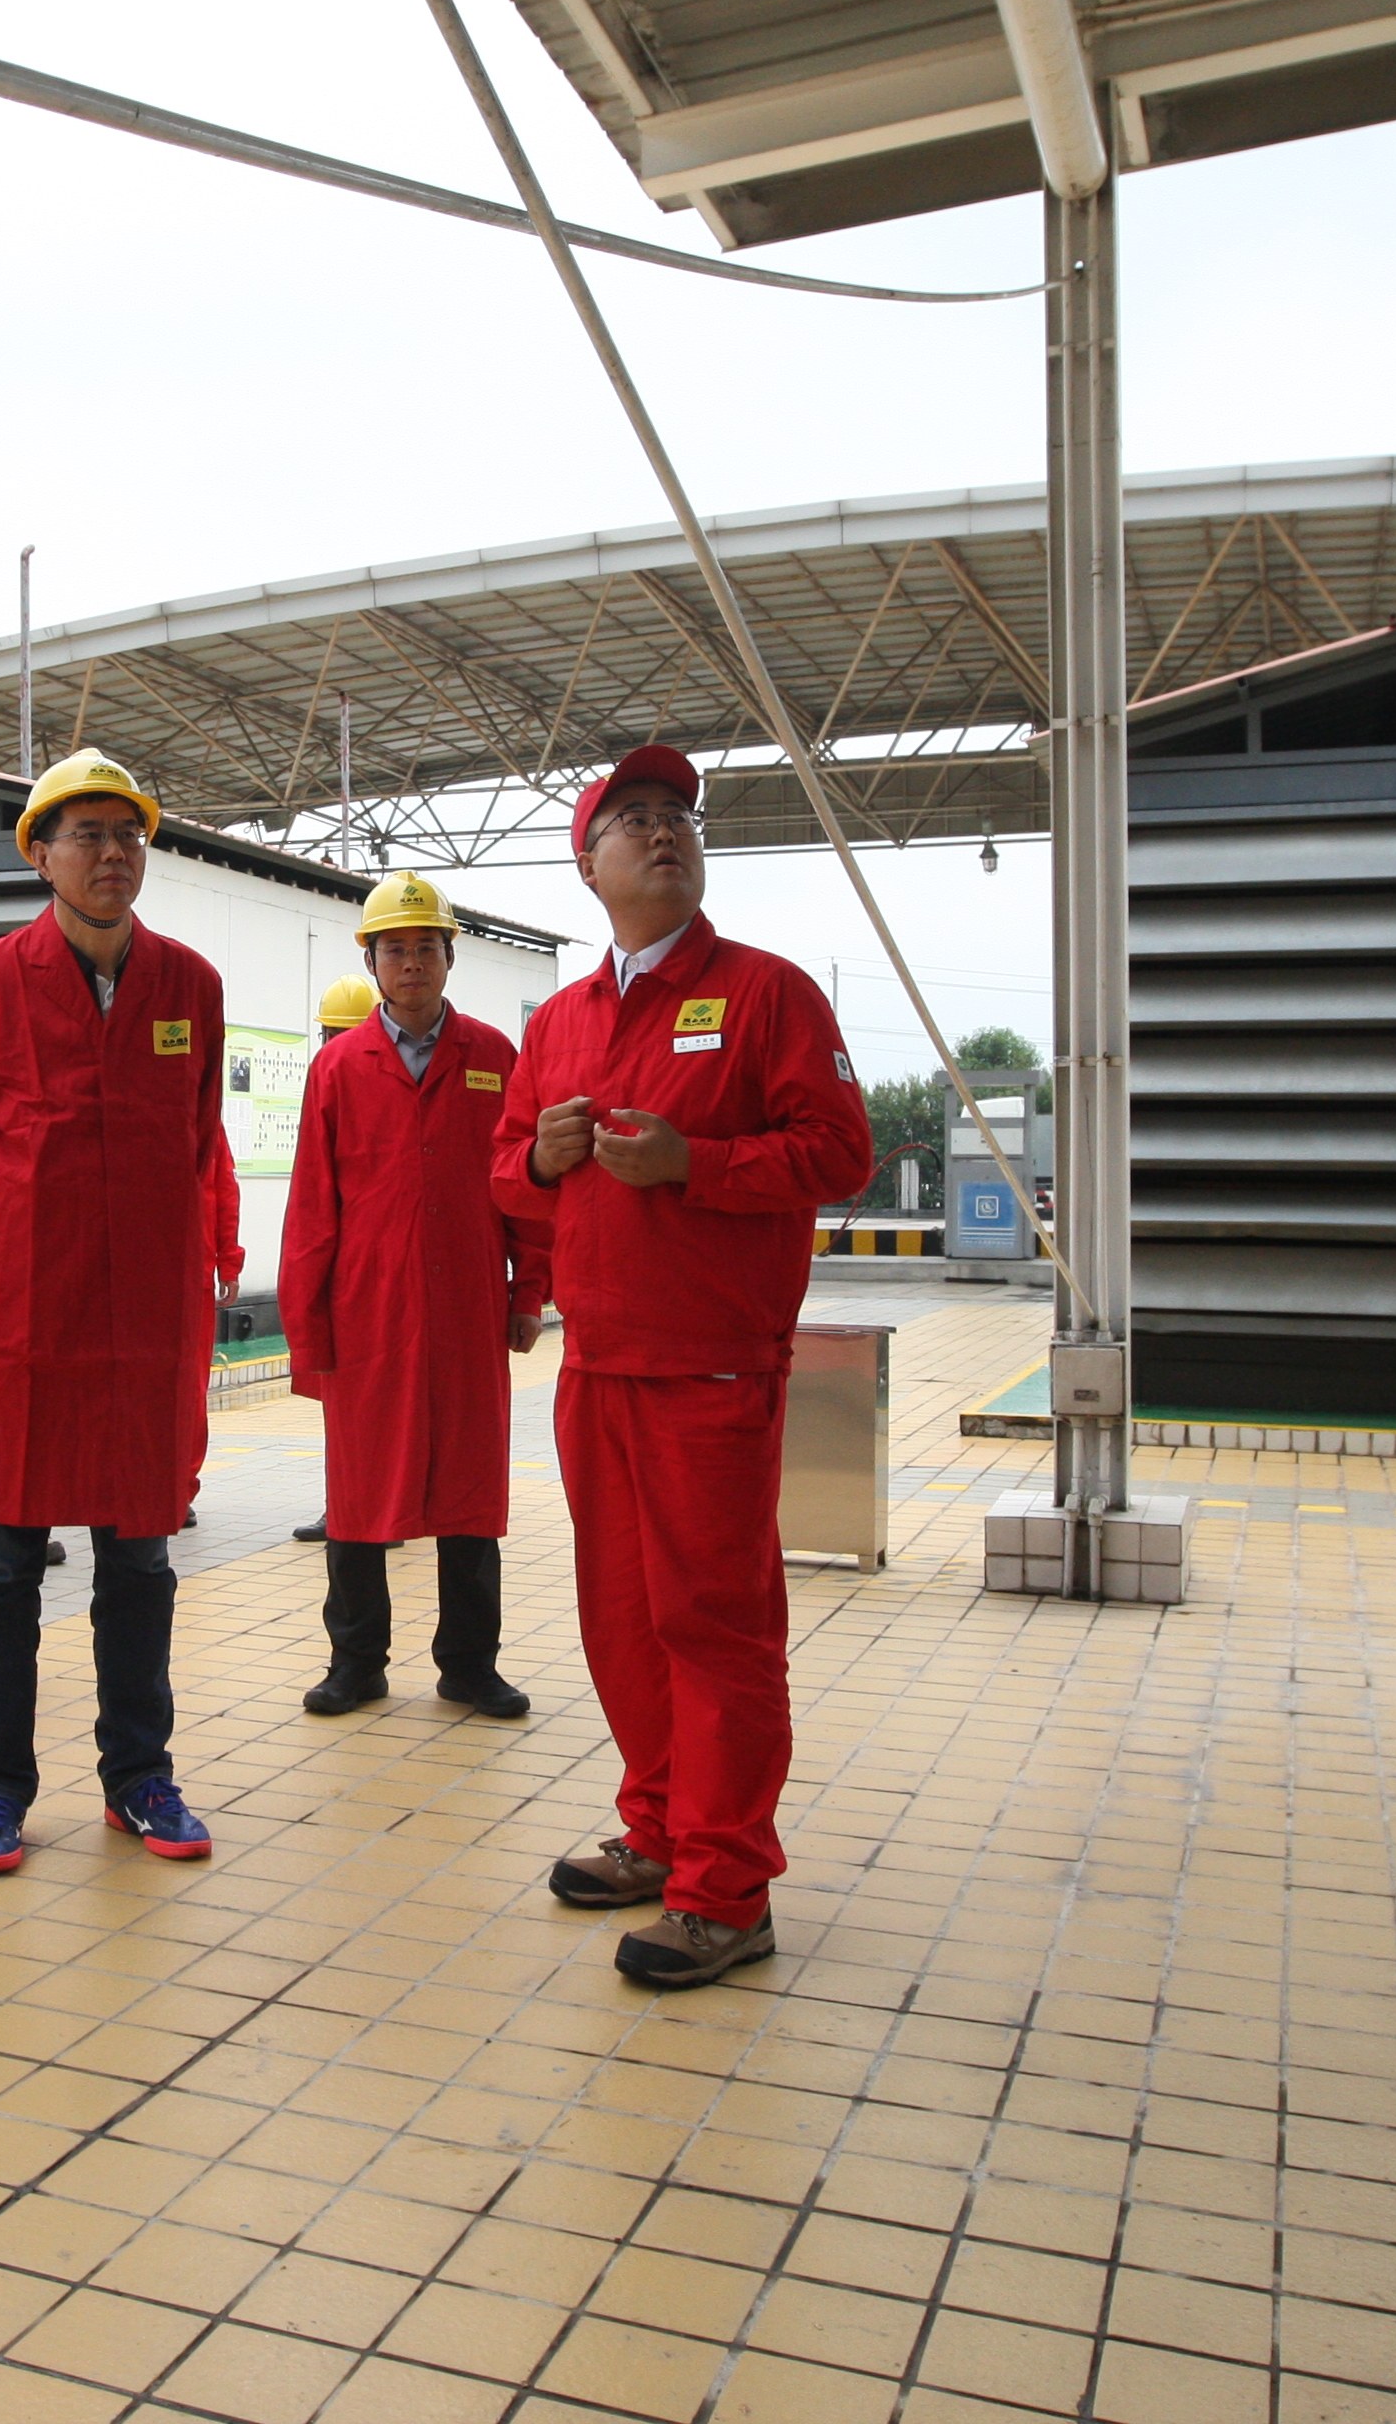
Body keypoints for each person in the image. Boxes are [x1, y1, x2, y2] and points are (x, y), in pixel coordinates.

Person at [492, 745, 869, 1990]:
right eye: (635, 819)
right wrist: (541, 1161)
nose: (664, 833)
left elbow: (839, 1152)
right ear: (587, 865)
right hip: (597, 1366)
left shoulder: (766, 995)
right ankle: (657, 1830)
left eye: (678, 818)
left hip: (712, 1367)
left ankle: (726, 1891)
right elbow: (505, 1174)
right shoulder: (559, 1022)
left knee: (715, 1630)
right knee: (624, 1620)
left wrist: (694, 1166)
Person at [0, 749, 226, 1875]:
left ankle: (140, 1777)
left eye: (128, 834)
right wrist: (0, 1267)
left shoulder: (190, 987)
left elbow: (196, 1140)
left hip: (142, 1321)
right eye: (87, 834)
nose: (112, 853)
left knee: (138, 1567)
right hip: (18, 1320)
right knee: (2, 1568)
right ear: (41, 856)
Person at [282, 873, 548, 1721]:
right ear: (372, 961)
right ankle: (355, 1663)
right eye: (393, 949)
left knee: (471, 1488)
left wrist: (529, 1291)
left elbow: (523, 1188)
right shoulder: (338, 1067)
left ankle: (469, 1665)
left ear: (448, 957)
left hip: (468, 1307)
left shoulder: (494, 1058)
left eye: (425, 947)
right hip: (369, 1312)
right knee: (360, 1493)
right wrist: (306, 1328)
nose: (410, 964)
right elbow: (311, 1205)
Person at [288, 970, 378, 1551]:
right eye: (328, 1034)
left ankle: (373, 1511)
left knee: (369, 1412)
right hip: (344, 1278)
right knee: (347, 1413)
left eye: (340, 1034)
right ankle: (348, 1506)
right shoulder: (330, 1076)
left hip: (369, 1278)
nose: (332, 1044)